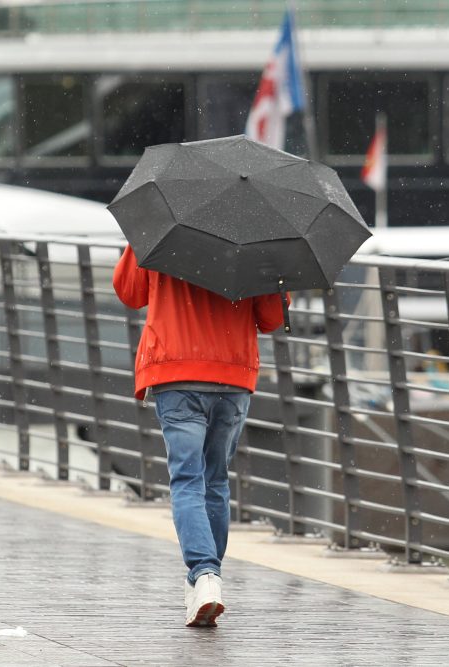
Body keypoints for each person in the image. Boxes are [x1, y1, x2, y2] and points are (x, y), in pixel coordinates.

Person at [112, 245, 289, 628]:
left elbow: (130, 293)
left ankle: (204, 574)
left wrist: (135, 241)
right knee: (215, 480)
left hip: (177, 372)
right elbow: (271, 318)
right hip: (232, 375)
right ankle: (208, 578)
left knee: (188, 480)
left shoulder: (162, 231)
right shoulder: (257, 235)